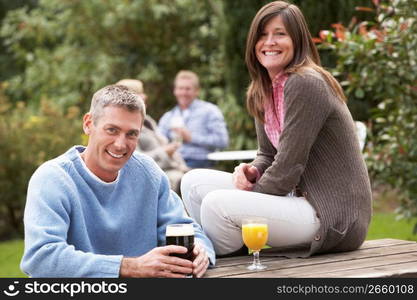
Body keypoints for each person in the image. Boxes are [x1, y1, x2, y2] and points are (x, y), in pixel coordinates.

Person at [180, 1, 372, 258]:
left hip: (331, 215)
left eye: (280, 34)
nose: (269, 42)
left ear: (298, 40)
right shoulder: (264, 89)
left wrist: (250, 197)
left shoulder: (306, 83)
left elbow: (288, 167)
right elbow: (268, 155)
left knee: (217, 204)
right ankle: (226, 254)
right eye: (262, 34)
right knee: (193, 183)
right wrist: (251, 172)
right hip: (295, 198)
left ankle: (218, 263)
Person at [20, 85, 214, 277]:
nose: (121, 144)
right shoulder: (53, 179)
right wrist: (130, 267)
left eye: (131, 134)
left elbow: (187, 228)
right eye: (112, 130)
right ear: (88, 123)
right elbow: (41, 258)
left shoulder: (148, 172)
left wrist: (200, 251)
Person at [115, 79, 189, 194]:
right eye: (139, 94)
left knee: (201, 178)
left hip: (174, 170)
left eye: (143, 93)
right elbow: (132, 160)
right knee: (188, 184)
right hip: (156, 175)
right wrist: (164, 152)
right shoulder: (125, 127)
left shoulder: (148, 121)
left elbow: (167, 147)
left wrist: (181, 165)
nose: (145, 96)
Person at [158, 70, 229, 169]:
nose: (183, 92)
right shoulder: (168, 117)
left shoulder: (210, 111)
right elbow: (158, 143)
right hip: (173, 163)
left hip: (200, 163)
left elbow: (222, 141)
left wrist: (192, 138)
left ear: (197, 91)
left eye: (188, 89)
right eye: (180, 88)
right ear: (175, 90)